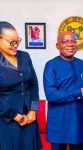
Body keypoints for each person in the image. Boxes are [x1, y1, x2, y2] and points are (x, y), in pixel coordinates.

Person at [43, 31, 83, 150]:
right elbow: (51, 95)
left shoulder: (82, 64)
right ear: (57, 45)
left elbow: (81, 90)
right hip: (59, 123)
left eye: (73, 41)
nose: (70, 44)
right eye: (65, 41)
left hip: (79, 121)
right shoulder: (51, 65)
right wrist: (79, 93)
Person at [0, 21, 42, 150]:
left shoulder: (25, 56)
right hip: (7, 120)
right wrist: (15, 116)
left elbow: (33, 84)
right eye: (11, 42)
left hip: (29, 118)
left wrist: (33, 110)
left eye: (17, 41)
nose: (16, 45)